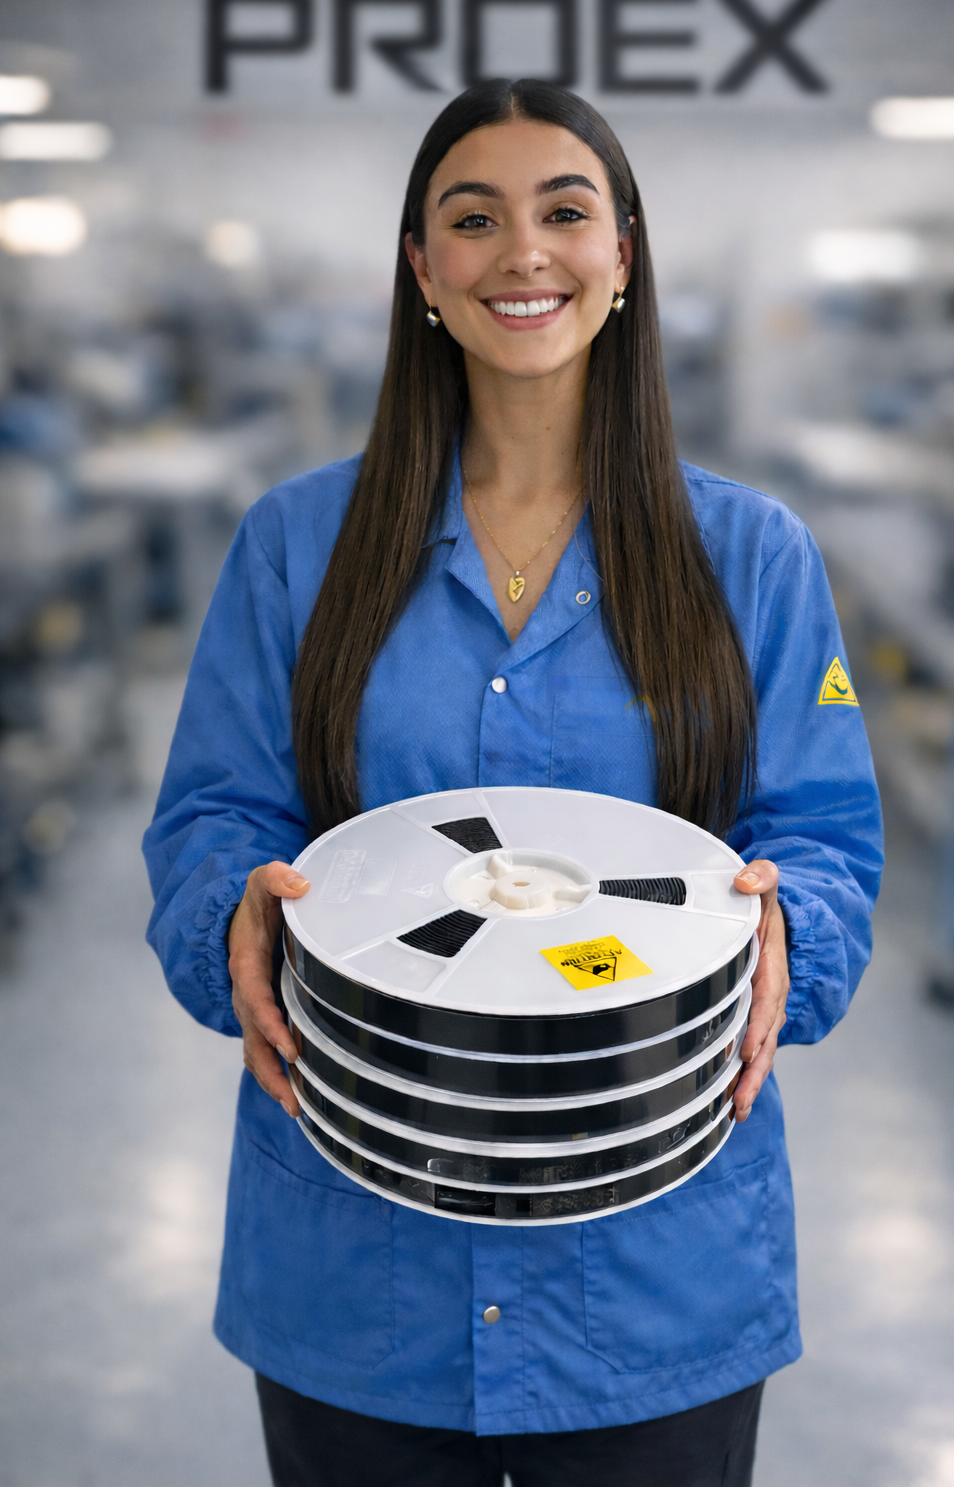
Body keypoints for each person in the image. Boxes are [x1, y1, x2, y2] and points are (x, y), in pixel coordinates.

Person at [144, 79, 883, 1487]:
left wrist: (801, 926)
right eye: (472, 219)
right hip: (359, 1260)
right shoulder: (296, 547)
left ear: (624, 255)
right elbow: (214, 814)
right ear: (423, 270)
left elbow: (823, 832)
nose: (522, 253)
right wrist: (222, 909)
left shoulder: (753, 558)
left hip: (653, 1266)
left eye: (565, 213)